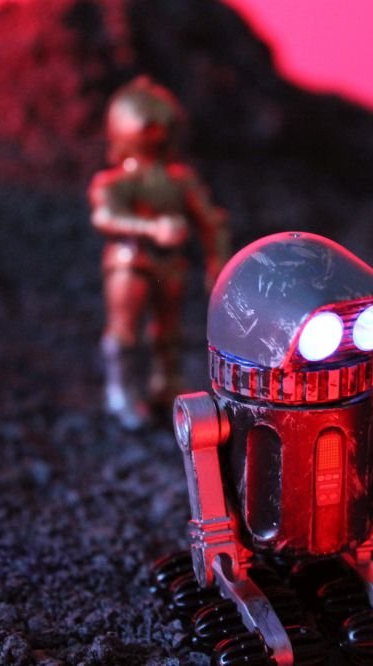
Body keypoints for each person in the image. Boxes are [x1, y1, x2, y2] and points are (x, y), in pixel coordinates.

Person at [89, 76, 228, 428]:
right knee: (125, 331)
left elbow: (210, 221)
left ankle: (167, 386)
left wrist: (218, 264)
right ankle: (121, 391)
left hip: (170, 266)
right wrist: (152, 229)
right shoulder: (114, 182)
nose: (157, 133)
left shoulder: (180, 179)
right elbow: (105, 217)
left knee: (168, 330)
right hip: (129, 263)